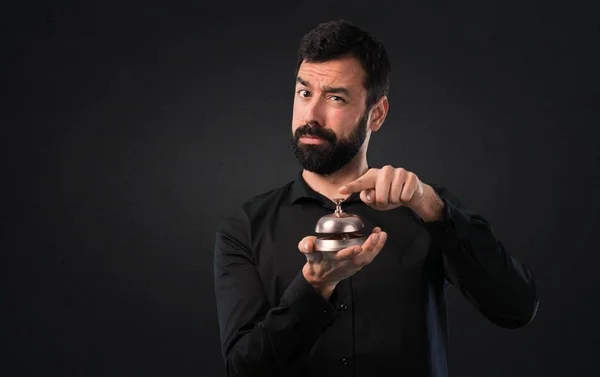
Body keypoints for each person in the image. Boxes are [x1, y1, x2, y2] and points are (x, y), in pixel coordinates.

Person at [213, 19, 539, 377]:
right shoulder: (245, 228)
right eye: (304, 93)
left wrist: (432, 208)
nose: (311, 116)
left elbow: (516, 308)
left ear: (377, 114)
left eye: (335, 97)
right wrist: (315, 288)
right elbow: (242, 369)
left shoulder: (425, 209)